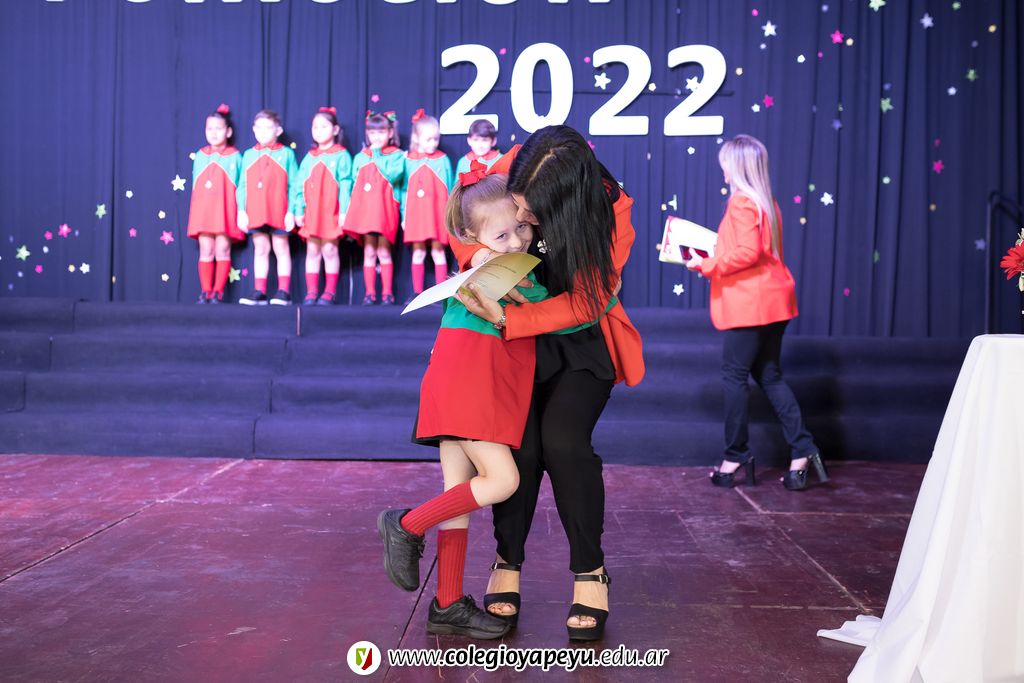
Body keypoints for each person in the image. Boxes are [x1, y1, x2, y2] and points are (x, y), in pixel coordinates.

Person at [453, 125, 645, 641]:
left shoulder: (612, 213)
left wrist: (508, 318)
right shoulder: (518, 167)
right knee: (519, 447)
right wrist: (477, 255)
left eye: (527, 212)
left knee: (564, 443)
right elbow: (463, 217)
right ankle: (506, 560)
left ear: (563, 201)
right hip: (516, 345)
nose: (518, 216)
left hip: (579, 341)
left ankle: (590, 571)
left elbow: (587, 302)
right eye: (515, 204)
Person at [378, 168, 539, 640]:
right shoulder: (499, 279)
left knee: (458, 495)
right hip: (470, 389)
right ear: (472, 238)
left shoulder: (493, 272)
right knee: (503, 480)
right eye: (502, 235)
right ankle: (407, 524)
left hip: (457, 387)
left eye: (521, 228)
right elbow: (557, 315)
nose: (516, 241)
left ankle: (447, 604)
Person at [684, 134, 828, 491]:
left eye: (726, 165)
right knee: (769, 376)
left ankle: (735, 455)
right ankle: (803, 450)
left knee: (734, 377)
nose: (723, 171)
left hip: (751, 304)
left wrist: (707, 265)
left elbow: (748, 253)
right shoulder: (766, 203)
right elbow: (753, 251)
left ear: (738, 166)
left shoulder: (742, 203)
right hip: (773, 302)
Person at [237, 109, 298, 306]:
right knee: (260, 248)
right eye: (259, 128)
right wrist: (241, 210)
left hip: (279, 210)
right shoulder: (248, 155)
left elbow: (295, 185)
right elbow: (242, 185)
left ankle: (283, 292)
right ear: (253, 129)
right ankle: (259, 291)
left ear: (278, 130)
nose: (263, 132)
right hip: (255, 210)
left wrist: (292, 211)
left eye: (268, 128)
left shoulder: (286, 154)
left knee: (281, 248)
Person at [186, 104, 244, 304]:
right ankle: (205, 291)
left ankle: (218, 292)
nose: (214, 133)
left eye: (218, 128)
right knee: (206, 250)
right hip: (203, 211)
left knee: (222, 249)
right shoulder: (200, 155)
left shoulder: (235, 156)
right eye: (209, 128)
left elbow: (240, 186)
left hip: (225, 210)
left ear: (228, 132)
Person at [345, 111, 404, 305]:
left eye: (381, 132)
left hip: (385, 210)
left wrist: (377, 154)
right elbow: (354, 184)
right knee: (369, 251)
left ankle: (387, 293)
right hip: (366, 211)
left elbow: (394, 175)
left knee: (384, 251)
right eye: (372, 133)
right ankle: (369, 293)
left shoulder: (396, 155)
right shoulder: (360, 157)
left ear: (390, 133)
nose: (376, 137)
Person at [294, 107, 352, 306]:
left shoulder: (341, 155)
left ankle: (329, 291)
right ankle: (311, 292)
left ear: (335, 130)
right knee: (312, 251)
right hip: (312, 212)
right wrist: (298, 210)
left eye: (324, 127)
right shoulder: (310, 157)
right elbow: (299, 186)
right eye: (315, 127)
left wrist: (343, 211)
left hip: (331, 211)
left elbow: (346, 184)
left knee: (329, 250)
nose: (318, 131)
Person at [402, 109, 453, 301]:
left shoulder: (443, 159)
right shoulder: (408, 160)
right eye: (428, 139)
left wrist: (450, 215)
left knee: (438, 252)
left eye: (435, 139)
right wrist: (404, 216)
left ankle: (441, 295)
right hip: (416, 215)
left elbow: (450, 188)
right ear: (416, 138)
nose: (433, 143)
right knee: (418, 252)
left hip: (437, 214)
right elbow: (404, 191)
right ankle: (417, 293)